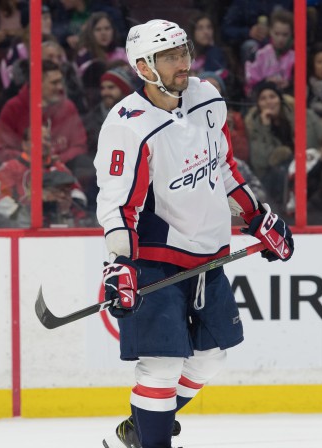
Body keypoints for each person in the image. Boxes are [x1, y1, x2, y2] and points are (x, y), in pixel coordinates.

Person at [95, 19, 294, 448]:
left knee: (209, 358)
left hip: (208, 254)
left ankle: (141, 431)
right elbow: (117, 205)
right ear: (145, 66)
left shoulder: (207, 97)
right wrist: (120, 264)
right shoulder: (127, 124)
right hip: (154, 258)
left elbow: (222, 168)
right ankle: (155, 441)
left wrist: (256, 217)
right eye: (169, 57)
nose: (182, 62)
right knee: (162, 367)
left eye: (183, 52)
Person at [0, 60, 92, 199]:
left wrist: (57, 160)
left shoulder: (67, 107)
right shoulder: (13, 108)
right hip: (25, 177)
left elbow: (79, 145)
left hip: (62, 174)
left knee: (86, 164)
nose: (60, 87)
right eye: (54, 83)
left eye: (60, 82)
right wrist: (31, 160)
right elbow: (1, 150)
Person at [0, 124, 86, 223]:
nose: (43, 142)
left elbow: (78, 195)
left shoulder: (60, 168)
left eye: (47, 139)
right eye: (37, 138)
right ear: (25, 145)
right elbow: (1, 200)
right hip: (24, 229)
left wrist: (69, 211)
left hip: (58, 226)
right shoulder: (10, 168)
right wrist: (25, 219)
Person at [244, 81, 294, 208]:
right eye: (263, 99)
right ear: (258, 104)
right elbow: (260, 161)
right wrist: (265, 127)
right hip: (271, 176)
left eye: (272, 97)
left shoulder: (298, 115)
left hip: (302, 166)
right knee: (279, 172)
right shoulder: (254, 125)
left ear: (280, 99)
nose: (268, 102)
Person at [82, 65, 136, 156]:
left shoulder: (139, 115)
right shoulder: (92, 118)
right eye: (103, 88)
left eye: (111, 87)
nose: (105, 92)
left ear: (124, 91)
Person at [244, 9, 294, 96]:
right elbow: (250, 85)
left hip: (288, 98)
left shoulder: (296, 57)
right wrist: (266, 83)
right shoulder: (260, 55)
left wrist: (289, 84)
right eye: (277, 34)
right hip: (263, 99)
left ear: (291, 34)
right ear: (270, 31)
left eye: (285, 35)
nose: (280, 39)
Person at [74, 12, 128, 79]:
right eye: (98, 29)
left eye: (107, 28)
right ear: (91, 33)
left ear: (113, 30)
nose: (103, 33)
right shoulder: (84, 55)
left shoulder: (122, 53)